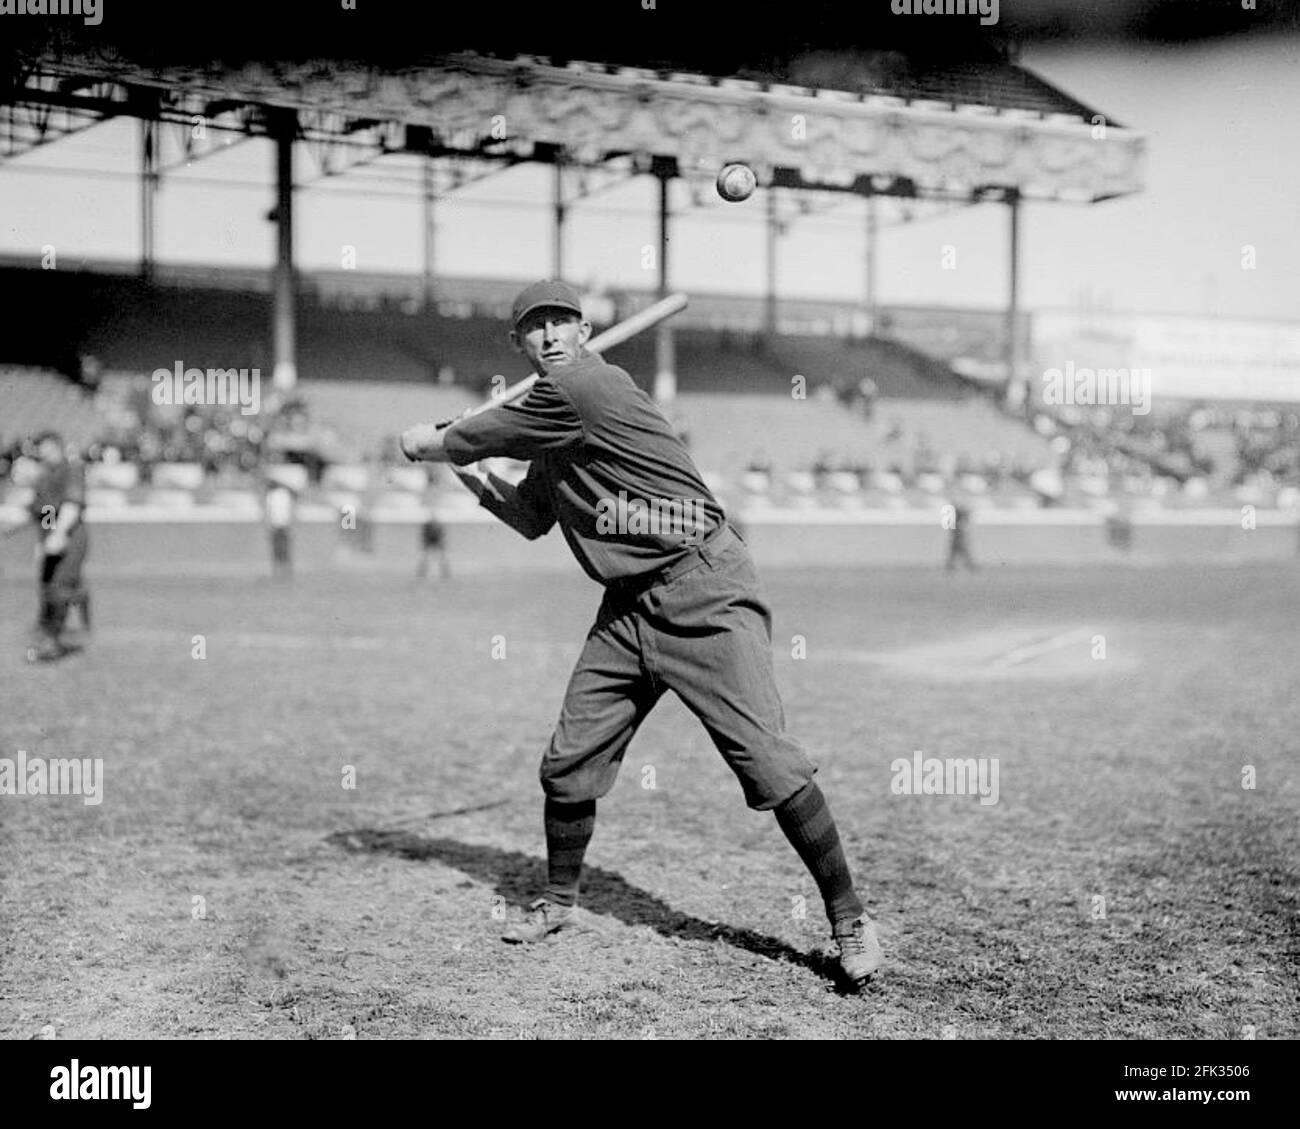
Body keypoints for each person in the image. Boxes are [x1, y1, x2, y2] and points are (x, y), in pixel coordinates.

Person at [400, 280, 882, 986]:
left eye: (563, 321)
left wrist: (437, 442)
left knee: (770, 764)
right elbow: (534, 516)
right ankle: (559, 900)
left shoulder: (587, 385)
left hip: (703, 587)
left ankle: (850, 918)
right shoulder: (552, 422)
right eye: (536, 327)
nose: (552, 335)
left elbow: (480, 435)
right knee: (568, 764)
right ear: (519, 343)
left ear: (585, 330)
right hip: (626, 607)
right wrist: (471, 476)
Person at [26, 431, 90, 662]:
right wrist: (43, 540)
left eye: (42, 446)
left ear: (54, 446)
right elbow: (46, 511)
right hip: (52, 538)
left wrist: (59, 533)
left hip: (71, 538)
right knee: (47, 587)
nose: (38, 451)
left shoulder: (71, 470)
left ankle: (53, 643)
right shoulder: (45, 476)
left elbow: (72, 505)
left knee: (60, 586)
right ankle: (48, 634)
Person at [263, 469, 296, 580]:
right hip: (279, 526)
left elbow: (269, 512)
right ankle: (281, 572)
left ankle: (282, 572)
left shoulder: (276, 495)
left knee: (282, 550)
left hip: (280, 526)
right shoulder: (278, 494)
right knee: (280, 550)